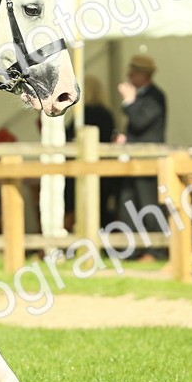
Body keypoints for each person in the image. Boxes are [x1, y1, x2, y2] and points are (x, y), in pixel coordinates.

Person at [115, 54, 167, 259]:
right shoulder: (143, 96)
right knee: (128, 202)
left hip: (148, 161)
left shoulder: (155, 97)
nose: (130, 76)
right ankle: (131, 250)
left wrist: (129, 101)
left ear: (144, 75)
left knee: (149, 204)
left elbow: (140, 121)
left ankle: (156, 250)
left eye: (134, 73)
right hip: (133, 160)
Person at [64, 77, 118, 227]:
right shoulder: (107, 113)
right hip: (103, 168)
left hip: (83, 167)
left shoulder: (85, 113)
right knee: (100, 208)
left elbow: (70, 137)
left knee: (75, 204)